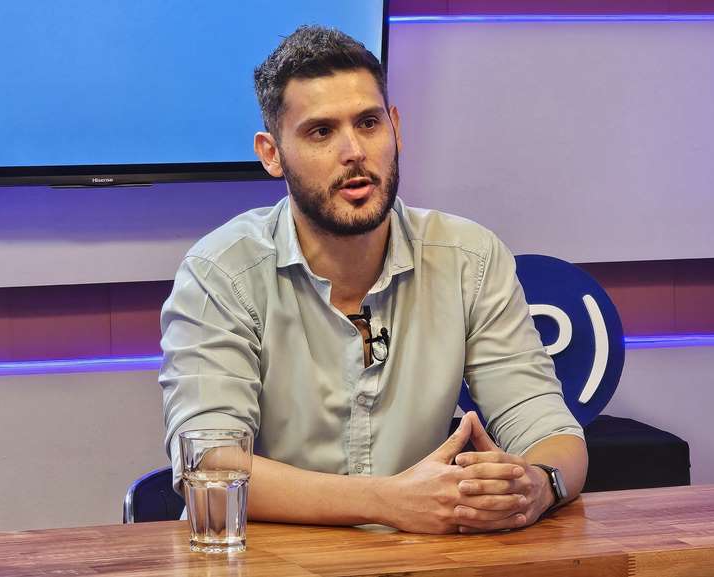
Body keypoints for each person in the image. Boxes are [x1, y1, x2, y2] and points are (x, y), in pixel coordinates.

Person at [160, 25, 587, 534]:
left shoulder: (470, 259)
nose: (354, 152)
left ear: (396, 128)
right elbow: (208, 468)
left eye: (368, 123)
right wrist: (387, 501)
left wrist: (538, 483)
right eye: (321, 132)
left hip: (419, 558)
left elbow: (550, 430)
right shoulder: (221, 272)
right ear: (271, 154)